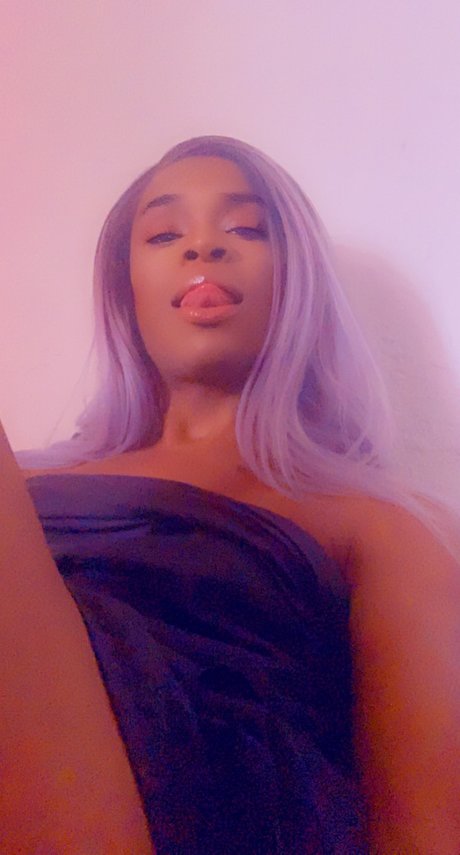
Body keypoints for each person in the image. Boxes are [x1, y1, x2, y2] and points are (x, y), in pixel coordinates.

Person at [3, 135, 460, 853]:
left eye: (246, 227)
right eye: (164, 234)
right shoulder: (27, 482)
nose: (203, 246)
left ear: (299, 280)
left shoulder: (382, 525)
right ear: (125, 290)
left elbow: (428, 825)